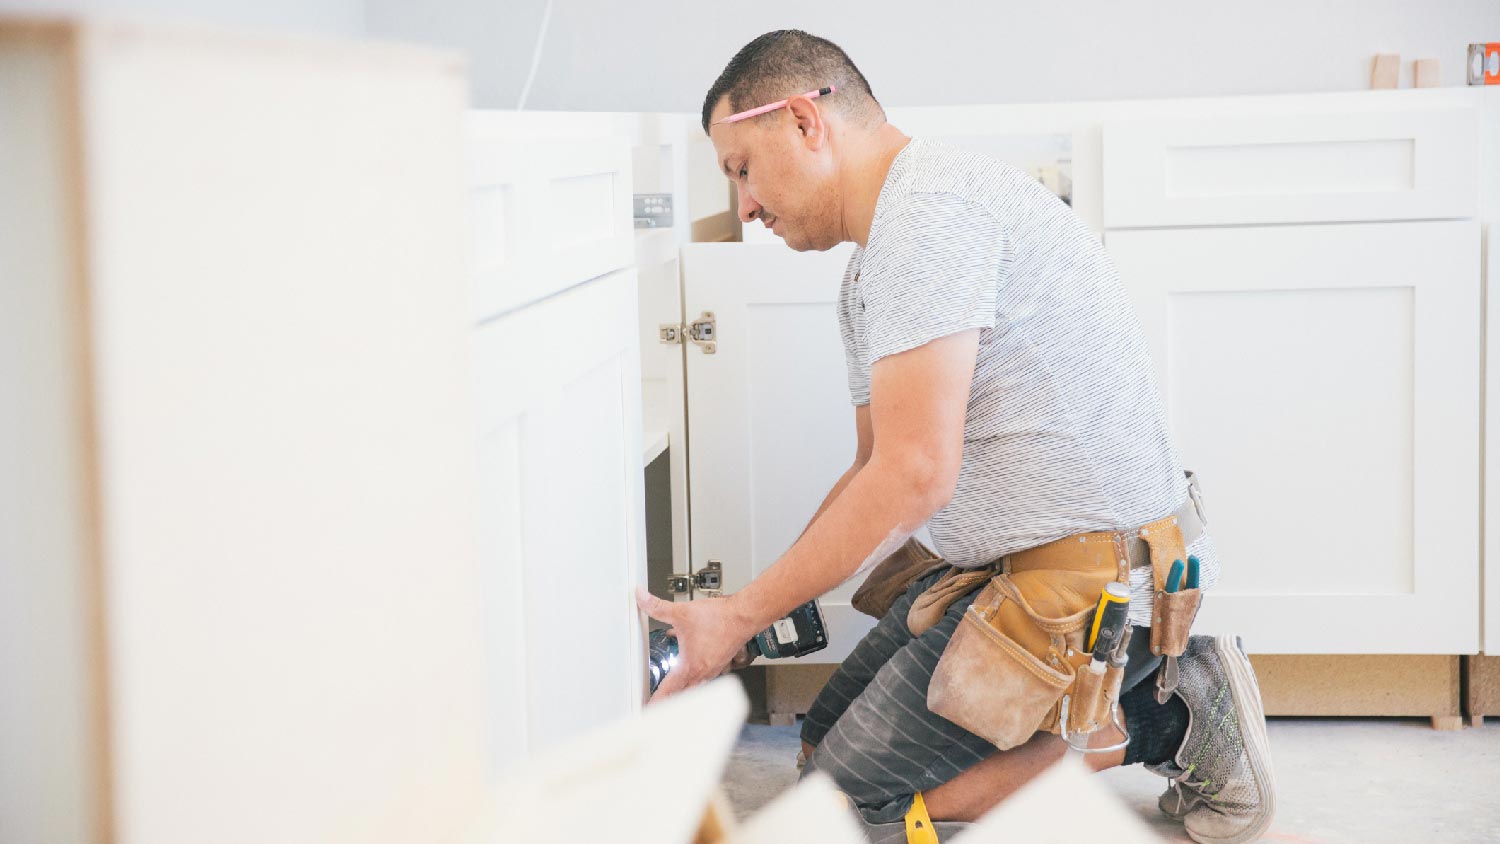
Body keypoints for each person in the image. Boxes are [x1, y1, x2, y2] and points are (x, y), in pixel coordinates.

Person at [635, 29, 1275, 844]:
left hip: (1097, 580)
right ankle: (1139, 698)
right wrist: (747, 615)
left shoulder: (929, 217)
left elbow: (916, 477)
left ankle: (1165, 714)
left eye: (743, 170)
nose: (746, 206)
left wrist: (734, 619)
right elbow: (873, 467)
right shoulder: (872, 264)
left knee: (847, 812)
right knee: (819, 751)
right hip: (1007, 567)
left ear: (803, 120)